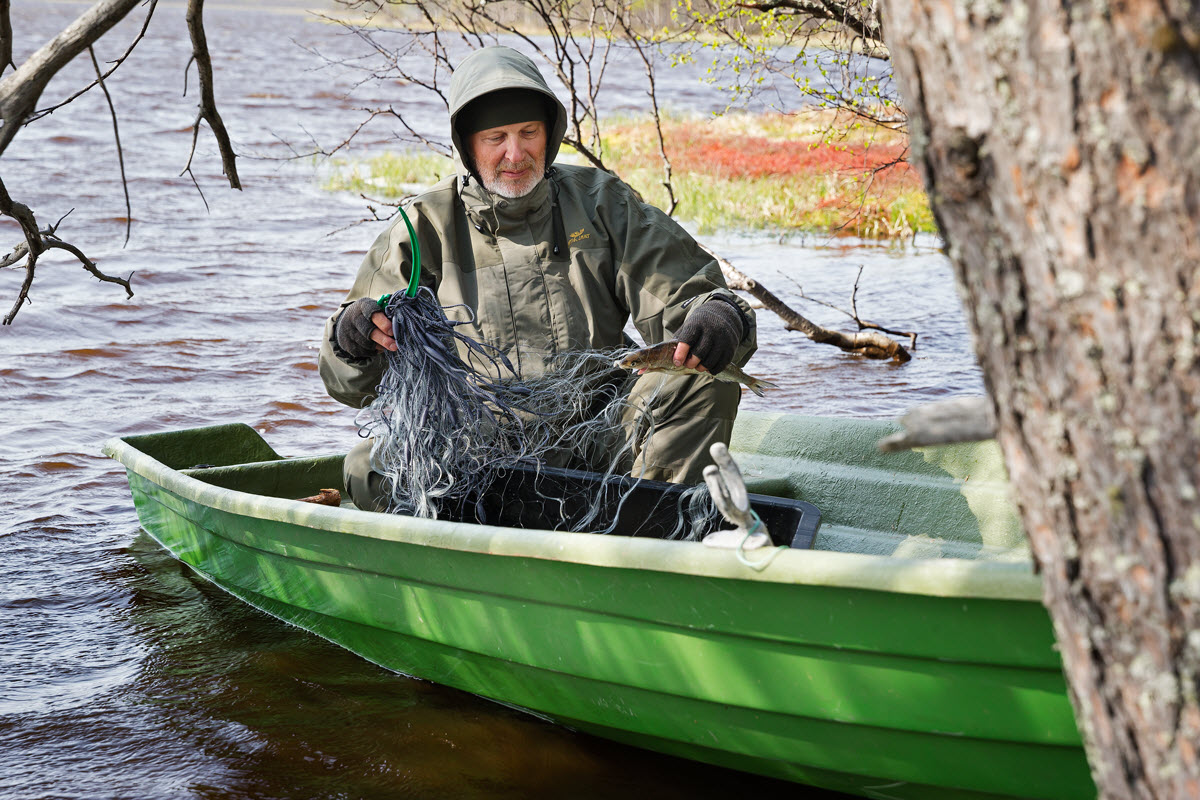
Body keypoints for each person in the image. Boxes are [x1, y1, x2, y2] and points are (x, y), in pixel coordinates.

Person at [319, 45, 757, 512]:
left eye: (529, 132)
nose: (516, 153)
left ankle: (653, 529)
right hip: (474, 449)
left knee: (704, 375)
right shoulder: (424, 225)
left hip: (601, 435)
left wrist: (718, 315)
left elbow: (684, 295)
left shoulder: (602, 203)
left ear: (550, 134)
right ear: (467, 145)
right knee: (369, 467)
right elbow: (348, 384)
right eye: (496, 137)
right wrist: (352, 337)